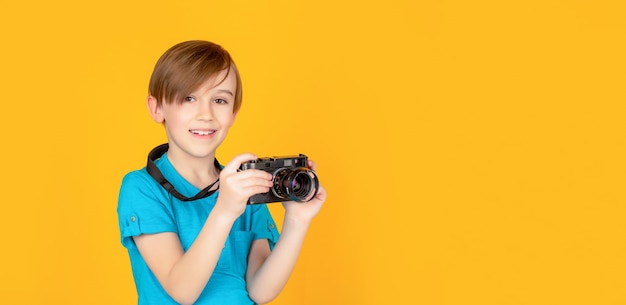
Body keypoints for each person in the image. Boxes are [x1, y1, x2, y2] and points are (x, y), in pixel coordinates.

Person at [117, 40, 327, 305]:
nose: (206, 114)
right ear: (157, 108)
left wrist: (297, 221)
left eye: (219, 100)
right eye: (189, 98)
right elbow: (182, 290)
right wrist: (225, 209)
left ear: (233, 113)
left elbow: (259, 291)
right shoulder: (141, 187)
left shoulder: (243, 185)